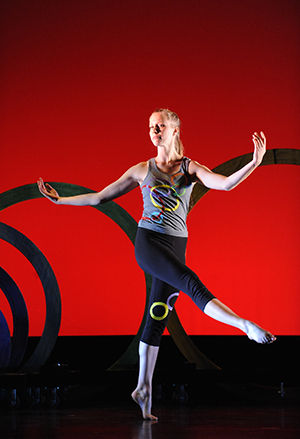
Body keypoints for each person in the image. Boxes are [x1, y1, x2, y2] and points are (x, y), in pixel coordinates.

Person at [37, 108, 276, 421]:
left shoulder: (190, 168)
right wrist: (60, 200)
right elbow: (99, 197)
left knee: (158, 313)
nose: (154, 130)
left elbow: (225, 184)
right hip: (149, 243)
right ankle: (244, 325)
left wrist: (254, 163)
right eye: (151, 126)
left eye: (160, 125)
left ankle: (143, 388)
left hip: (177, 246)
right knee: (191, 283)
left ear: (175, 129)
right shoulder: (141, 170)